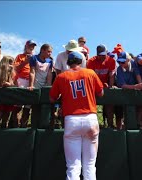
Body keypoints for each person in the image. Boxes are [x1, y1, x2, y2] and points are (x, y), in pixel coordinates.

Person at [49, 51, 104, 180]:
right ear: (81, 62)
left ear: (68, 63)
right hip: (90, 119)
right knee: (90, 165)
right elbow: (101, 93)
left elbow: (52, 98)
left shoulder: (62, 76)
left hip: (72, 120)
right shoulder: (90, 72)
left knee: (73, 166)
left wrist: (64, 94)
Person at [115, 51, 142, 129]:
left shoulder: (133, 64)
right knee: (124, 113)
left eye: (122, 62)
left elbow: (138, 75)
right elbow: (123, 85)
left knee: (141, 109)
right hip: (125, 93)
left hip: (135, 93)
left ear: (128, 60)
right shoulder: (119, 69)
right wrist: (136, 86)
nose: (120, 63)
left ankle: (140, 126)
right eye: (119, 61)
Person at [87, 44, 116, 128]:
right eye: (100, 55)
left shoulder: (111, 61)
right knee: (92, 106)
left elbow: (111, 75)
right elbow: (90, 78)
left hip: (106, 86)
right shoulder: (91, 61)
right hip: (94, 86)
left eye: (104, 54)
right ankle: (93, 126)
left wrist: (111, 85)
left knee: (109, 105)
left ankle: (110, 125)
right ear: (97, 54)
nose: (102, 57)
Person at [11, 40, 37, 128]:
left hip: (32, 81)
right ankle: (14, 126)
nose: (32, 47)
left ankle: (23, 127)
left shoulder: (36, 57)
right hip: (21, 80)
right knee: (17, 106)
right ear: (26, 46)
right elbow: (16, 69)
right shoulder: (20, 56)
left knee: (27, 107)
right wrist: (25, 61)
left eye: (33, 46)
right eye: (30, 45)